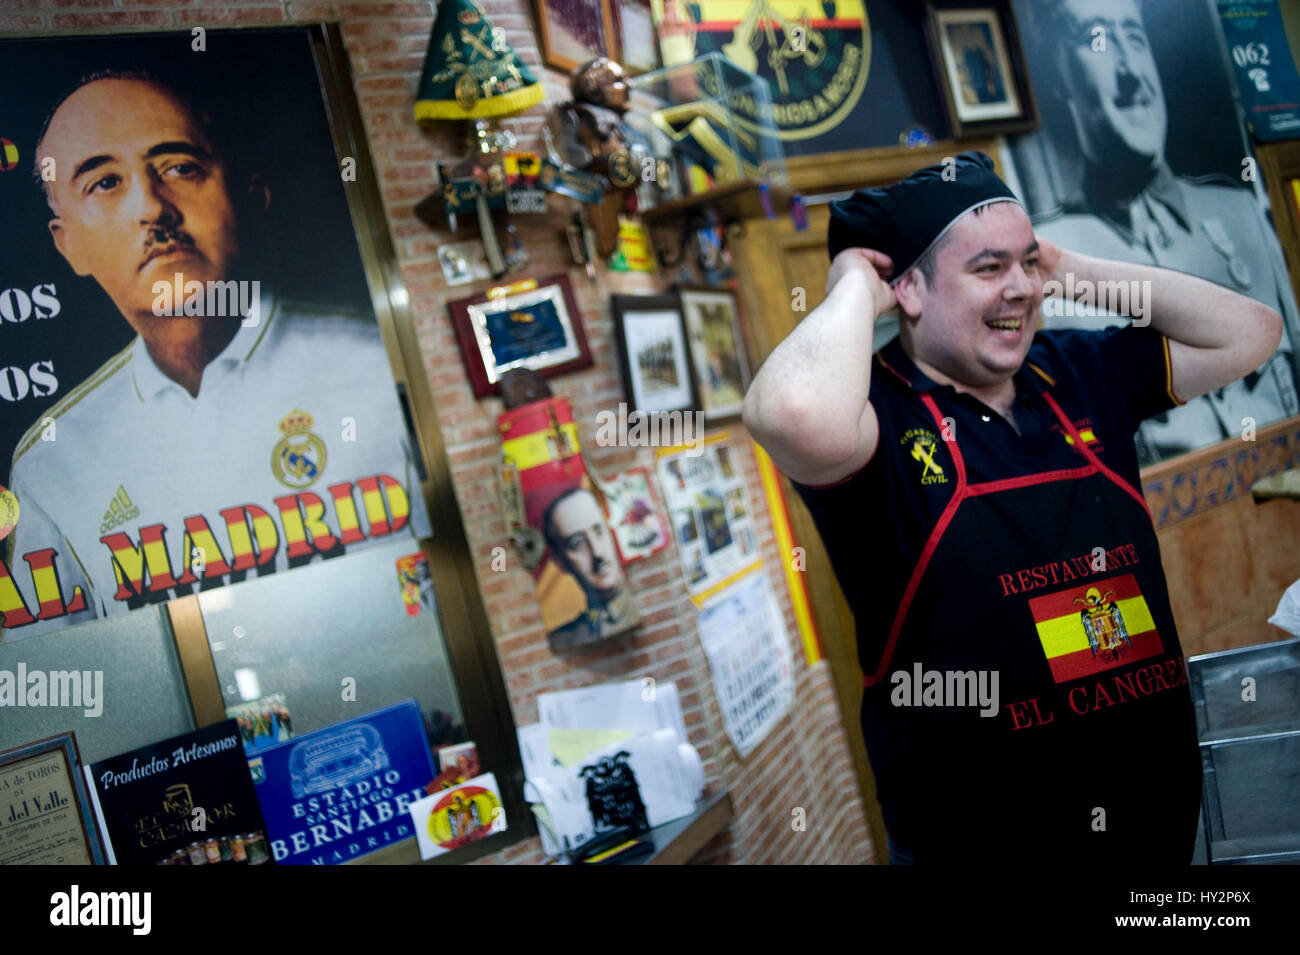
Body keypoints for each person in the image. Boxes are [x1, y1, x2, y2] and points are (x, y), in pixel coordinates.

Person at [743, 151, 1282, 863]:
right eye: (988, 268)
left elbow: (1252, 332)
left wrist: (1066, 271)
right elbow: (787, 411)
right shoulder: (877, 418)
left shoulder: (1080, 371)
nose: (1020, 288)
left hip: (1156, 822)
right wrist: (851, 284)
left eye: (1026, 264)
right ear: (906, 288)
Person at [2, 70, 428, 639]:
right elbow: (66, 673)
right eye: (104, 183)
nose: (153, 208)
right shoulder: (52, 464)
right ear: (68, 243)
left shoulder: (375, 362)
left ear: (251, 193)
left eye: (180, 168)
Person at [1023, 0, 1299, 464]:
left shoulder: (1239, 214)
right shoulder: (1047, 259)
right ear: (1057, 75)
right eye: (1099, 40)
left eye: (1134, 37)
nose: (1129, 71)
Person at [541, 486, 636, 650]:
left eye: (599, 531)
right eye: (578, 543)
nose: (597, 552)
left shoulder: (649, 604)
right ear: (560, 562)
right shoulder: (564, 641)